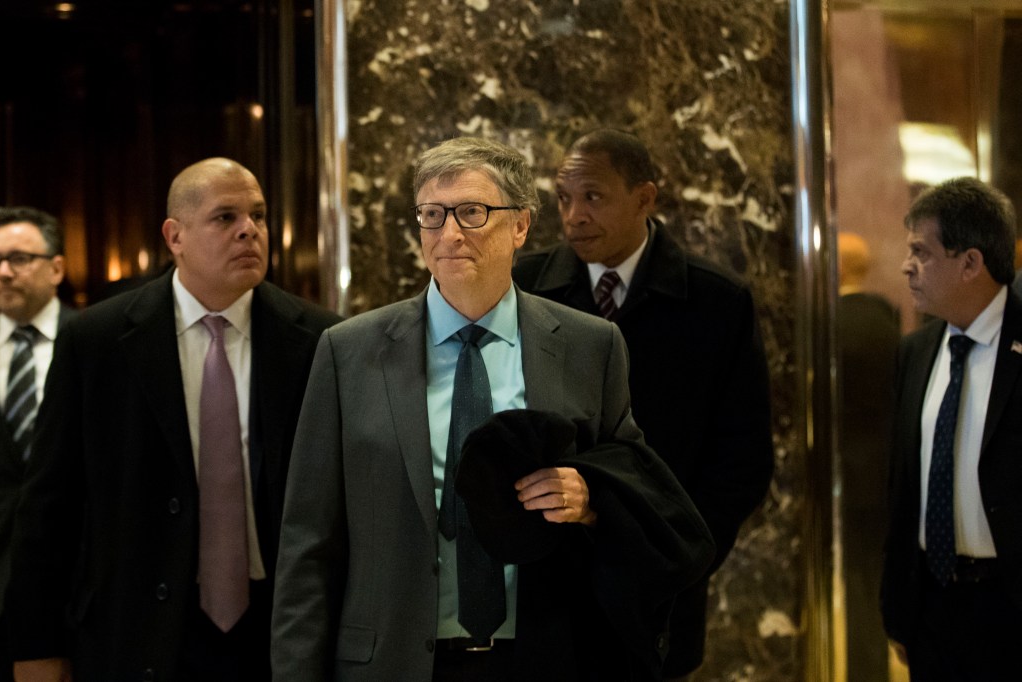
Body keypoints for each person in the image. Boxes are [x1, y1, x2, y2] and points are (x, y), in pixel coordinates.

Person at [271, 136, 716, 681]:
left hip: (545, 656)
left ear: (521, 225)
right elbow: (308, 542)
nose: (449, 234)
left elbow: (636, 487)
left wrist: (592, 496)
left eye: (472, 213)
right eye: (432, 215)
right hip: (391, 662)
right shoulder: (348, 351)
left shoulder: (589, 346)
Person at [7, 158, 341, 682]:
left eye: (257, 215)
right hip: (137, 626)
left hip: (279, 629)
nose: (249, 230)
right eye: (225, 217)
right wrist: (34, 646)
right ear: (174, 236)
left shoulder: (319, 340)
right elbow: (50, 505)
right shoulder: (98, 340)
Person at [513, 128, 774, 679]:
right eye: (563, 198)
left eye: (594, 197)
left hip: (661, 593)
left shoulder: (716, 303)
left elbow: (742, 460)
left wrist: (679, 553)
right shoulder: (522, 290)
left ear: (645, 198)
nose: (574, 215)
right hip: (542, 584)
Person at [882, 177, 1022, 680]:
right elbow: (903, 485)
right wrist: (898, 608)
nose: (906, 266)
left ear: (970, 263)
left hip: (1010, 606)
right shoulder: (916, 351)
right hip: (932, 607)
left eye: (921, 251)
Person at [0, 207, 76, 682]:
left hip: (68, 591)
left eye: (19, 258)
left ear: (57, 268)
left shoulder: (100, 341)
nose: (3, 271)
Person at [836, 231, 900, 682]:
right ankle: (877, 664)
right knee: (879, 573)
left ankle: (863, 669)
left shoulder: (829, 321)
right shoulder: (887, 316)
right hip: (887, 464)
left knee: (857, 578)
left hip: (846, 468)